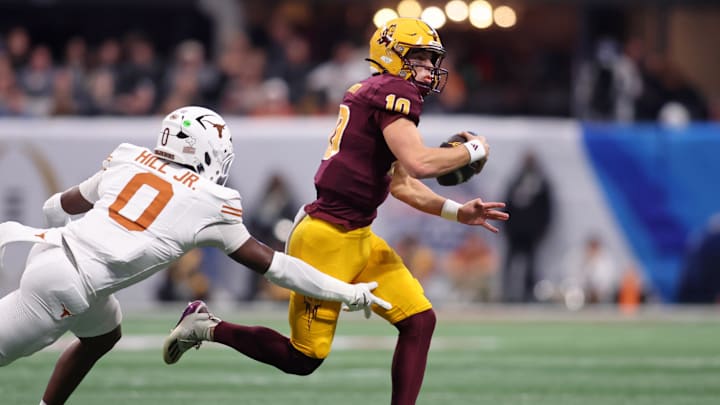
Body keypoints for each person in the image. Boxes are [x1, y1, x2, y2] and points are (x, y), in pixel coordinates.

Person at [163, 18, 509, 405]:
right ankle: (206, 327)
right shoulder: (392, 90)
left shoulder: (382, 92)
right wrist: (474, 149)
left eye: (432, 61)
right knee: (303, 357)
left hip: (358, 235)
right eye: (421, 59)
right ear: (392, 57)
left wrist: (456, 212)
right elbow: (420, 163)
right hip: (325, 238)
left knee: (419, 320)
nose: (429, 69)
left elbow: (400, 182)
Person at [0, 105, 390, 405]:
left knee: (104, 334)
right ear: (208, 152)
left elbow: (59, 205)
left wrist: (61, 243)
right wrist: (347, 292)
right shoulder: (210, 201)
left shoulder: (129, 159)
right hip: (66, 286)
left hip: (55, 258)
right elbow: (277, 268)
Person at [501, 151, 553, 302]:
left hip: (532, 232)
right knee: (510, 262)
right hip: (515, 231)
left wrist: (541, 229)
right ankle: (507, 293)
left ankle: (528, 293)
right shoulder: (515, 181)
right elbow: (507, 205)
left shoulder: (541, 183)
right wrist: (507, 227)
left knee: (531, 264)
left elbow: (546, 209)